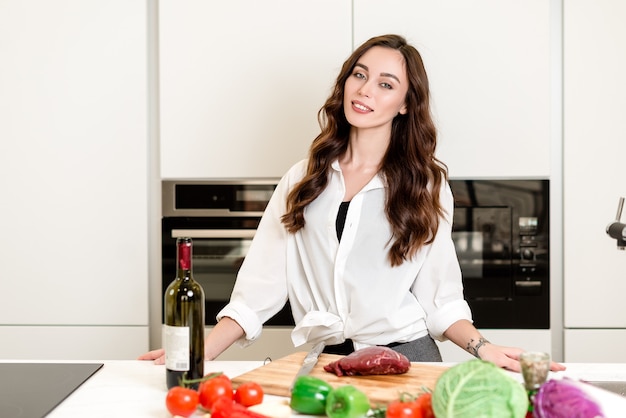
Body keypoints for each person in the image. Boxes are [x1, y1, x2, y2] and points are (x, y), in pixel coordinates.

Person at [140, 34, 565, 373]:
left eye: (386, 84)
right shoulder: (303, 177)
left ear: (405, 104)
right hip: (326, 361)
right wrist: (202, 351)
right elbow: (259, 287)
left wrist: (483, 348)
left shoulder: (426, 185)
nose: (364, 91)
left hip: (408, 359)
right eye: (358, 75)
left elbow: (441, 296)